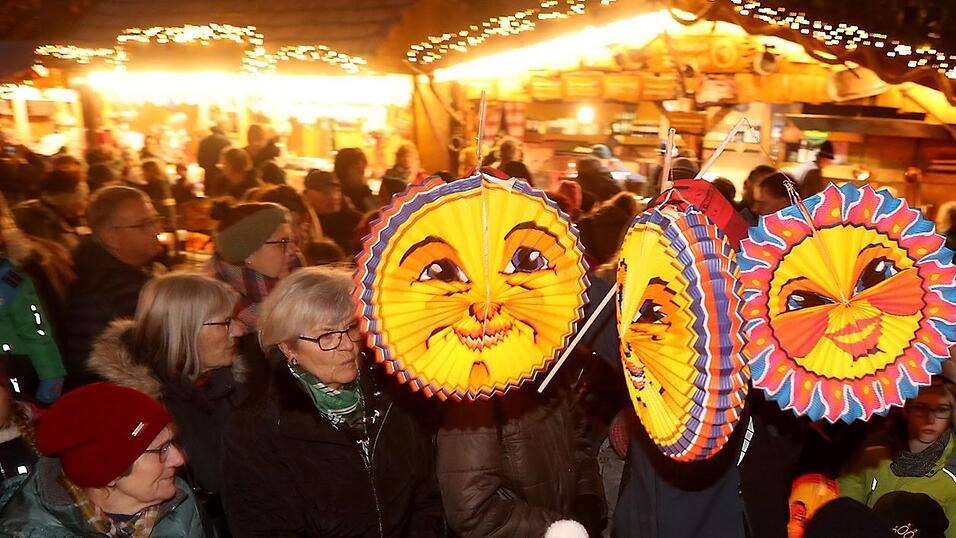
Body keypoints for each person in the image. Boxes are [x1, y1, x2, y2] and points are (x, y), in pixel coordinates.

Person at [221, 267, 444, 537]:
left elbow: (425, 498)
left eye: (351, 328)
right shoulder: (259, 429)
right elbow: (266, 527)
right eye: (326, 336)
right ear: (288, 347)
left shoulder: (393, 400)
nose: (348, 345)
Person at [87, 272, 246, 534]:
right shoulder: (132, 408)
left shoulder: (230, 382)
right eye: (226, 322)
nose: (239, 330)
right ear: (185, 330)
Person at [0, 382, 211, 537]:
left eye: (172, 442)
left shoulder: (181, 502)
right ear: (107, 473)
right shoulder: (27, 532)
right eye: (161, 450)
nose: (178, 459)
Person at [437, 373, 606, 537]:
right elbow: (471, 511)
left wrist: (588, 498)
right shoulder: (476, 397)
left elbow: (579, 445)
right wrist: (556, 529)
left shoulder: (551, 373)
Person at [64, 186, 163, 389]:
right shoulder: (107, 292)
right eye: (144, 225)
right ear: (110, 237)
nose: (157, 230)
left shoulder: (129, 275)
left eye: (155, 220)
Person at [838, 377, 956, 537]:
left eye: (941, 410)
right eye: (921, 408)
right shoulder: (872, 452)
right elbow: (844, 513)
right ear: (906, 410)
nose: (930, 420)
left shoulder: (951, 473)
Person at [207, 201, 297, 370]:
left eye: (292, 241)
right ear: (248, 251)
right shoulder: (220, 306)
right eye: (282, 243)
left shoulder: (288, 286)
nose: (293, 250)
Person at [13, 169, 88, 252]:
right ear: (67, 200)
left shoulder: (45, 209)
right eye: (82, 199)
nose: (84, 204)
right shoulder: (40, 220)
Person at [302, 170, 362, 255]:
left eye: (337, 190)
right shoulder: (307, 220)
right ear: (310, 194)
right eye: (325, 192)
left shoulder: (354, 220)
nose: (334, 196)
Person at [334, 148, 375, 213]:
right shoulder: (336, 196)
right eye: (358, 170)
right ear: (344, 169)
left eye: (362, 171)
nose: (362, 175)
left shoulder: (364, 191)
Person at [139, 159, 177, 229]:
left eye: (143, 171)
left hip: (160, 221)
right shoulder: (164, 184)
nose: (141, 174)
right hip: (168, 220)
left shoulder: (154, 187)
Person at [196, 125, 231, 197]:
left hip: (209, 174)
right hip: (223, 174)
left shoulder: (204, 141)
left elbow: (200, 159)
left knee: (209, 196)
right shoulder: (226, 141)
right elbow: (231, 157)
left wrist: (207, 166)